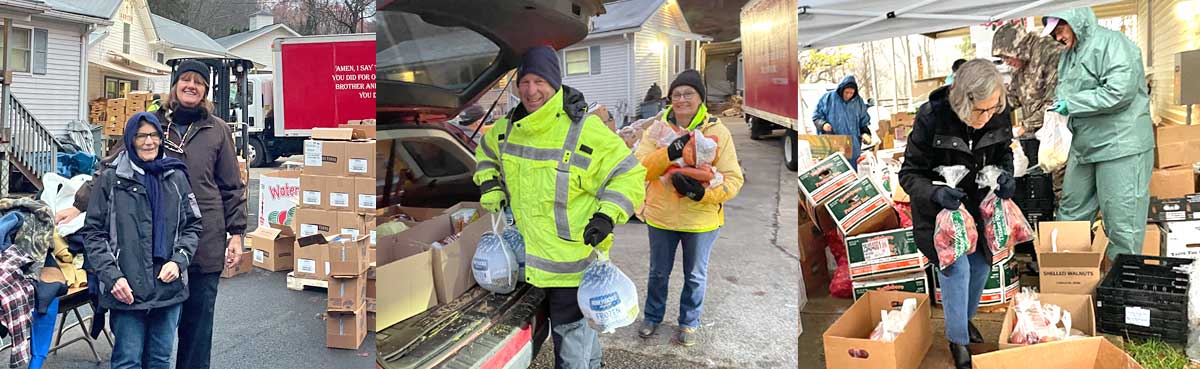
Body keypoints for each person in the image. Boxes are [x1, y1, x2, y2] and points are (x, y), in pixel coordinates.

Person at [56, 60, 247, 369]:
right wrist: (78, 205)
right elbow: (110, 167)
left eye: (198, 82)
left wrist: (237, 234)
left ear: (205, 91)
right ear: (174, 85)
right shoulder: (151, 125)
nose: (191, 86)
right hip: (156, 246)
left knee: (197, 332)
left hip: (203, 242)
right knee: (153, 336)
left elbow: (232, 186)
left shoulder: (218, 130)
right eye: (185, 80)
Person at [472, 46, 646, 369]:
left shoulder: (581, 128)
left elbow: (629, 173)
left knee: (570, 351)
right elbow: (484, 153)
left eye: (540, 81)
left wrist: (608, 215)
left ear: (555, 83)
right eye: (524, 81)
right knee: (581, 342)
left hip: (570, 270)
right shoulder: (507, 128)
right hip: (528, 267)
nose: (531, 90)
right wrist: (491, 185)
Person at [898, 59, 1016, 369]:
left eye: (993, 110)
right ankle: (958, 341)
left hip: (978, 211)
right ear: (962, 100)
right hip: (939, 214)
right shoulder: (931, 118)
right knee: (957, 269)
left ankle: (962, 321)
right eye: (981, 111)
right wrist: (936, 193)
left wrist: (1005, 176)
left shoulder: (999, 111)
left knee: (980, 269)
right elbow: (909, 174)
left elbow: (1004, 153)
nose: (988, 116)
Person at [79, 112, 202, 369]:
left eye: (154, 135)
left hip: (167, 287)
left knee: (159, 361)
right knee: (127, 362)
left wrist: (179, 261)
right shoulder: (111, 179)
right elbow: (93, 233)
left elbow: (193, 225)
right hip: (126, 289)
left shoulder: (175, 176)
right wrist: (113, 278)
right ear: (130, 140)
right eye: (141, 135)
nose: (149, 142)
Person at [633, 70, 744, 346]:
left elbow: (733, 179)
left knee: (695, 275)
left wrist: (700, 193)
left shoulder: (718, 132)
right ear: (670, 99)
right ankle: (652, 317)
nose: (682, 99)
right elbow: (638, 169)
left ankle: (688, 323)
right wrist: (669, 152)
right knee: (658, 272)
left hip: (701, 220)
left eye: (688, 94)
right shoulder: (657, 130)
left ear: (700, 98)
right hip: (661, 217)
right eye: (677, 94)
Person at [1043, 8, 1154, 261]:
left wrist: (1072, 104)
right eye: (1053, 34)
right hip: (1086, 144)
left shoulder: (1113, 44)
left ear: (1073, 22)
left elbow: (1119, 92)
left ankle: (1122, 286)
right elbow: (1070, 92)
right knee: (1072, 211)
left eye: (1060, 30)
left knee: (1121, 220)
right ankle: (1069, 279)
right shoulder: (1069, 54)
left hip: (1121, 145)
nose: (1058, 38)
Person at [992, 23, 1063, 139]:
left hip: (1056, 131)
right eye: (1003, 58)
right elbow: (1013, 97)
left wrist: (1026, 126)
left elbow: (1055, 101)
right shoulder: (1019, 64)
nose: (1007, 62)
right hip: (1034, 133)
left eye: (1008, 57)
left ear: (1019, 48)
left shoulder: (1049, 52)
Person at [812, 75, 871, 168]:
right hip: (832, 143)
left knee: (852, 171)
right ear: (841, 89)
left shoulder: (858, 102)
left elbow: (863, 121)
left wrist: (865, 133)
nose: (848, 95)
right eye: (846, 92)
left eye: (851, 93)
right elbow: (816, 117)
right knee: (834, 171)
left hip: (852, 146)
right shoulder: (828, 98)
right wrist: (823, 124)